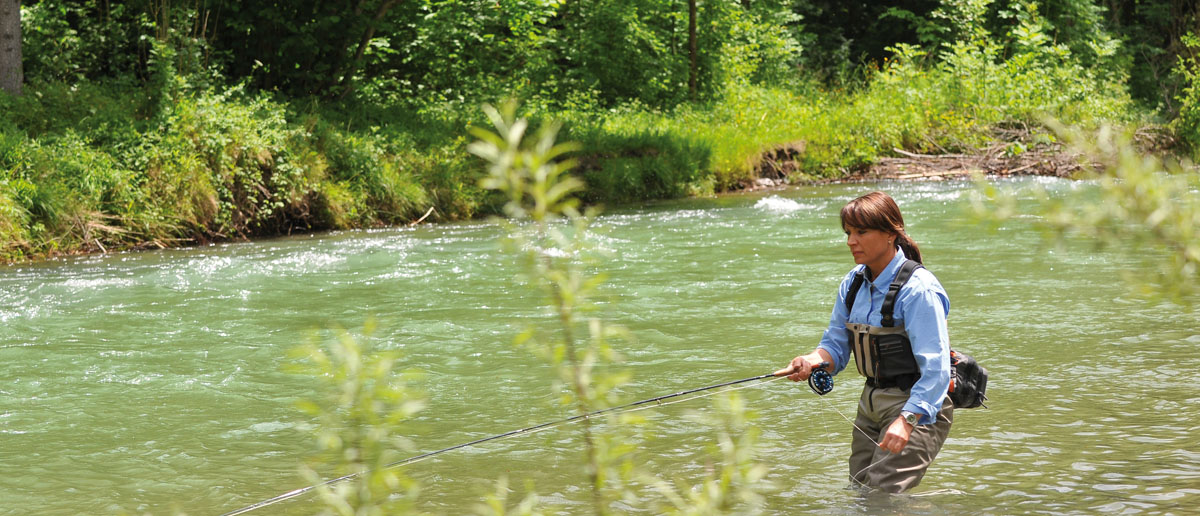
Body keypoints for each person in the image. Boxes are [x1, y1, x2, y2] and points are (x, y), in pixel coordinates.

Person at [775, 191, 953, 493]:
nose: (850, 241)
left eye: (861, 232)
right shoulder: (853, 282)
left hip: (916, 406)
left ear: (889, 234)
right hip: (870, 402)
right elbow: (834, 347)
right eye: (848, 233)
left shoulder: (919, 290)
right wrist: (811, 361)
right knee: (860, 493)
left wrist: (907, 420)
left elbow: (937, 369)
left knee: (880, 498)